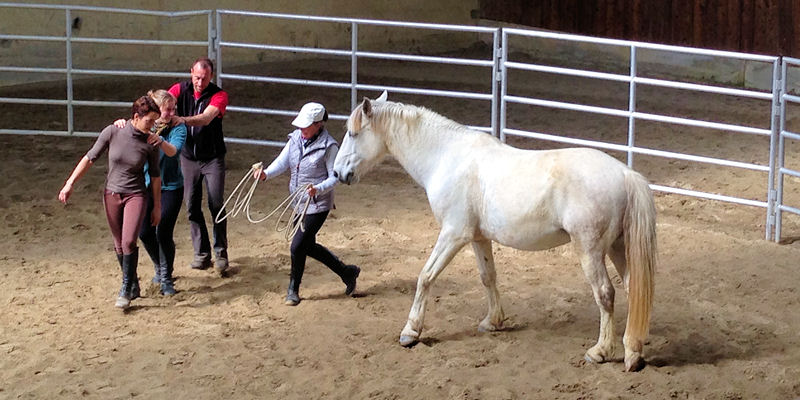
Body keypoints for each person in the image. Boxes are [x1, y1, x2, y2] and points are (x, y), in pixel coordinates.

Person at [58, 96, 164, 309]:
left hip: (136, 194)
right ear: (136, 117)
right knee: (118, 243)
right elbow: (90, 158)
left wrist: (157, 206)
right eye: (149, 121)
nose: (152, 126)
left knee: (128, 242)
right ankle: (133, 283)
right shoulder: (113, 132)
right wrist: (70, 183)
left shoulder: (150, 143)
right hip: (112, 193)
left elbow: (155, 176)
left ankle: (125, 287)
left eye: (155, 122)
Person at [253, 102, 360, 306]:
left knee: (298, 246)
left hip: (317, 205)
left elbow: (334, 177)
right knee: (307, 246)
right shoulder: (295, 139)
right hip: (298, 202)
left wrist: (317, 189)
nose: (301, 129)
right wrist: (266, 173)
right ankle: (347, 272)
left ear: (318, 124)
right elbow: (283, 161)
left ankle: (293, 288)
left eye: (306, 126)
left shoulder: (329, 147)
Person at [116, 90, 187, 295]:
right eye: (167, 109)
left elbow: (174, 151)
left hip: (171, 186)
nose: (171, 113)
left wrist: (160, 141)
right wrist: (121, 123)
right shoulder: (146, 125)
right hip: (145, 184)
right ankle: (159, 264)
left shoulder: (177, 127)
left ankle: (166, 277)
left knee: (163, 229)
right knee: (144, 232)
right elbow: (128, 130)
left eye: (174, 109)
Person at [168, 56, 230, 275]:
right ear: (190, 73)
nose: (200, 83)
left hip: (212, 157)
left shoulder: (219, 95)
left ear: (211, 76)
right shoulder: (178, 89)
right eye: (196, 78)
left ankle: (221, 253)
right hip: (188, 157)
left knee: (216, 204)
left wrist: (181, 120)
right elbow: (163, 104)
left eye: (204, 78)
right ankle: (201, 253)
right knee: (192, 205)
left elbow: (206, 118)